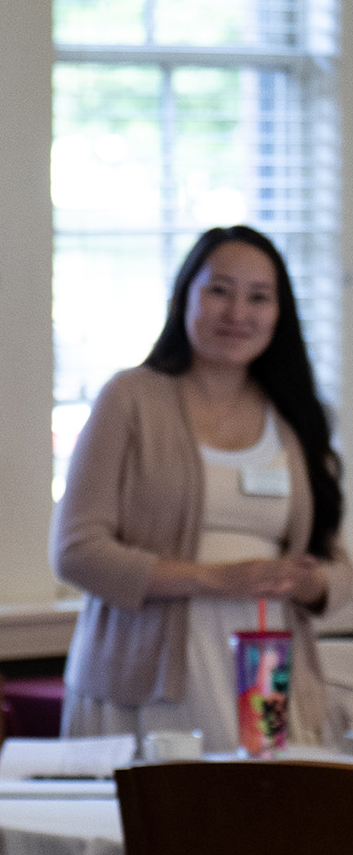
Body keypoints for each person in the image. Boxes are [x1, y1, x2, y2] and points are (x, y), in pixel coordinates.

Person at [52, 224, 353, 754]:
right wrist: (214, 579)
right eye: (219, 290)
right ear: (183, 296)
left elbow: (334, 561)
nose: (238, 313)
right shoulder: (130, 399)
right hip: (144, 677)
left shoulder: (299, 415)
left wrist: (312, 585)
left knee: (265, 827)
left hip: (268, 676)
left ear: (280, 314)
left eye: (259, 297)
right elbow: (77, 553)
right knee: (152, 829)